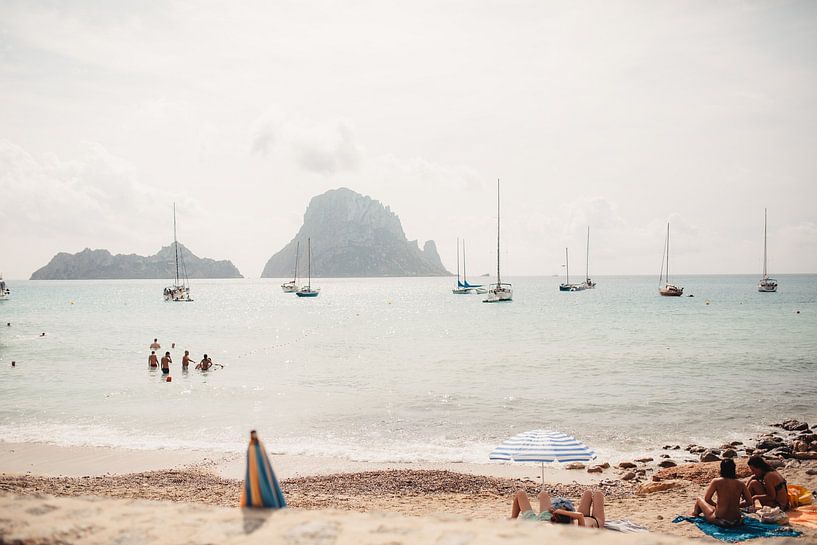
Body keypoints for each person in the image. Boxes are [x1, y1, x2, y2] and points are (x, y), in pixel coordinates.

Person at [689, 458, 752, 527]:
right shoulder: (741, 483)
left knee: (699, 499)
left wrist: (715, 505)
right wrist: (737, 506)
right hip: (737, 521)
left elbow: (707, 499)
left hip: (720, 520)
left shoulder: (716, 481)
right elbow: (749, 502)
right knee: (714, 508)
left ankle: (695, 514)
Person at [511, 489, 605, 528]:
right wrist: (559, 511)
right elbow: (580, 515)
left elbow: (579, 515)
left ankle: (512, 519)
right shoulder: (577, 527)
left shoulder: (571, 520)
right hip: (595, 520)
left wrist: (559, 512)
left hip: (580, 516)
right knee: (597, 494)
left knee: (589, 492)